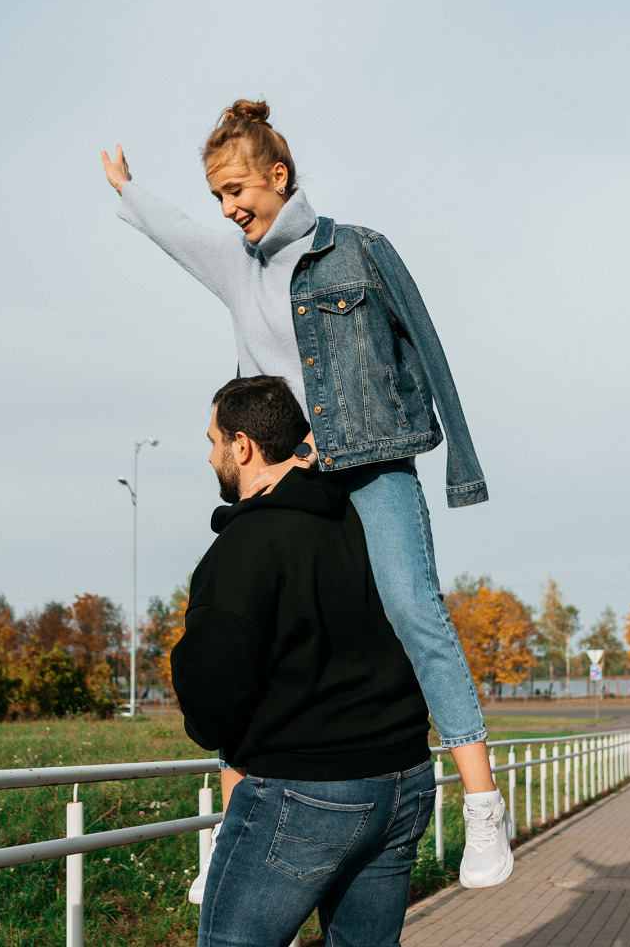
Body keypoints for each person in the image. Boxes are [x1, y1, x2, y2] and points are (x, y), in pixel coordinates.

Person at [101, 99, 513, 888]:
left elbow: (426, 348)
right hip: (294, 481)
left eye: (237, 192)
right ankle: (233, 829)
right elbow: (177, 234)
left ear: (278, 177)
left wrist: (460, 463)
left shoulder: (359, 249)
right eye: (218, 196)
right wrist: (130, 192)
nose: (228, 210)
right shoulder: (234, 263)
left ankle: (484, 811)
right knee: (256, 630)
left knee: (412, 609)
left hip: (373, 462)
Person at [171, 375, 438, 947]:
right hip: (404, 781)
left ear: (242, 446)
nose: (211, 454)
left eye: (213, 440)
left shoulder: (243, 548)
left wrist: (208, 722)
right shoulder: (362, 523)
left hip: (309, 792)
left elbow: (213, 690)